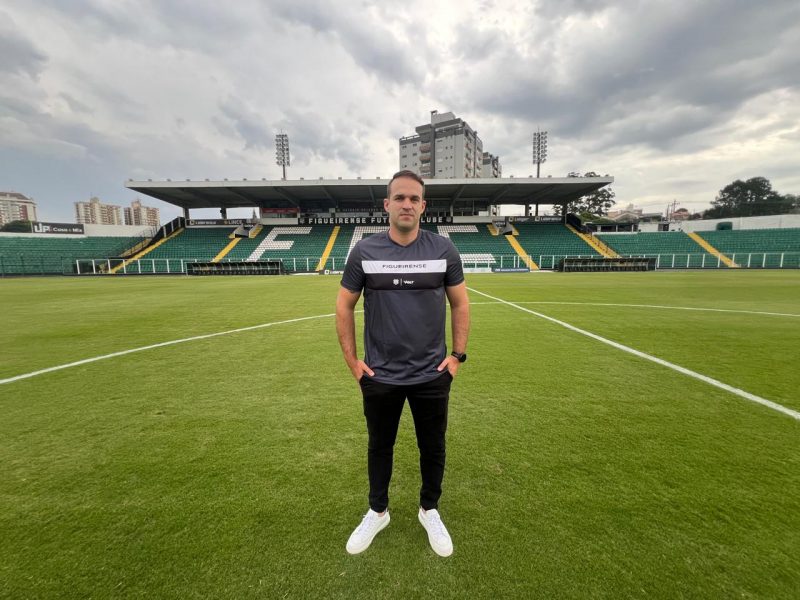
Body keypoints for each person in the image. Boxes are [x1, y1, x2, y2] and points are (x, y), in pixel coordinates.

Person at [335, 170, 470, 557]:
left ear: (423, 206)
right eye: (400, 198)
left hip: (432, 374)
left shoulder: (443, 251)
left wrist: (456, 358)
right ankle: (378, 512)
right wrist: (352, 362)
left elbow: (460, 303)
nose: (407, 204)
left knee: (433, 446)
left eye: (414, 198)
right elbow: (344, 305)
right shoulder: (365, 252)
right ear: (387, 205)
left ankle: (430, 510)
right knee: (380, 445)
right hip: (380, 375)